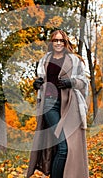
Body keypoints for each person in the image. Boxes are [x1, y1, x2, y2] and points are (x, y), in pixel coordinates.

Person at [26, 30, 89, 178]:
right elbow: (40, 80)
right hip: (49, 104)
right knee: (63, 147)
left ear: (66, 42)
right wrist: (37, 84)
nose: (59, 43)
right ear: (52, 42)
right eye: (56, 40)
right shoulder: (45, 60)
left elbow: (83, 82)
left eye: (61, 40)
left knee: (67, 147)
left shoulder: (74, 60)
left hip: (69, 106)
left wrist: (71, 82)